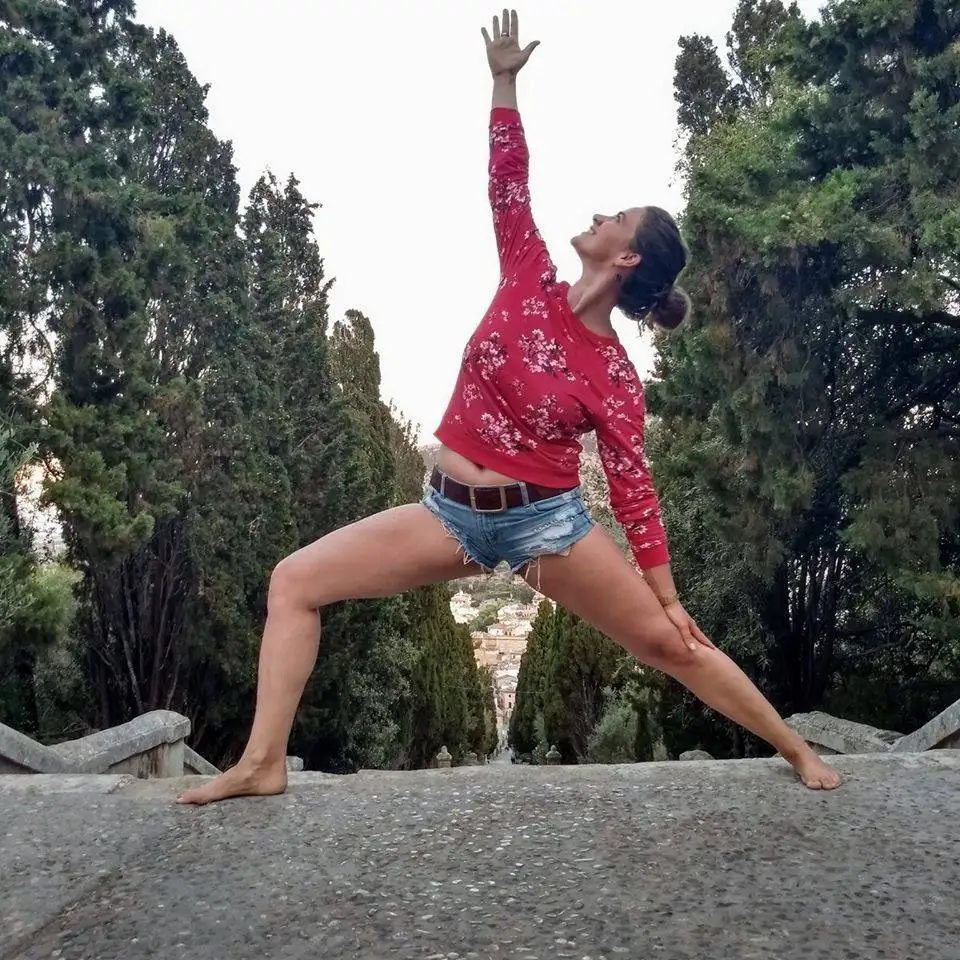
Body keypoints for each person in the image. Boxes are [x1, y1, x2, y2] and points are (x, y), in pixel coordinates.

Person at [177, 10, 839, 805]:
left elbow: (632, 486)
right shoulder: (527, 272)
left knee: (674, 645)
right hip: (446, 512)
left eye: (615, 220)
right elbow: (508, 182)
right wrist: (503, 82)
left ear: (626, 257)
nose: (597, 216)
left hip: (545, 526)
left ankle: (795, 749)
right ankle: (262, 763)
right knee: (293, 582)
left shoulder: (614, 374)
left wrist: (667, 597)